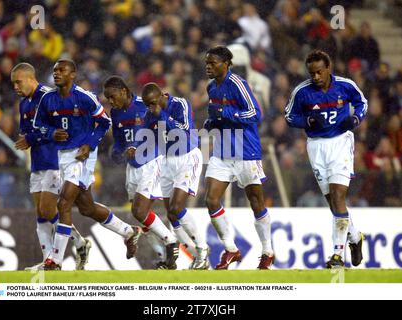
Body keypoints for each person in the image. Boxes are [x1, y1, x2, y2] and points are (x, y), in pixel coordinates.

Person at [33, 59, 141, 270]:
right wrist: (52, 132)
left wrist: (89, 144)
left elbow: (105, 122)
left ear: (73, 74)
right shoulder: (48, 99)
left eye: (61, 70)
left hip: (82, 155)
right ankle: (129, 232)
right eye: (54, 71)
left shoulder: (85, 98)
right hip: (63, 155)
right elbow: (38, 125)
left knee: (63, 204)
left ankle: (54, 261)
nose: (56, 74)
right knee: (86, 207)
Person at [284, 49, 366, 268]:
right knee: (333, 202)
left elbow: (362, 102)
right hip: (316, 147)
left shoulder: (345, 85)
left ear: (328, 68)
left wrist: (356, 118)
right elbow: (289, 116)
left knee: (339, 196)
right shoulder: (302, 92)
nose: (316, 77)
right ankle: (355, 237)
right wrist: (307, 121)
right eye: (312, 74)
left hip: (341, 142)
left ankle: (338, 256)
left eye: (319, 72)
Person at [11, 62, 90, 271]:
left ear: (30, 78)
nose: (15, 87)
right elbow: (28, 130)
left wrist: (31, 137)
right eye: (13, 84)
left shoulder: (48, 97)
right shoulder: (24, 103)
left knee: (48, 209)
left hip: (54, 159)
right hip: (37, 161)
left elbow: (61, 129)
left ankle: (71, 247)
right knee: (40, 212)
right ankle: (50, 259)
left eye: (18, 82)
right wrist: (28, 137)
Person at [204, 46, 274, 270]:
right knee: (211, 199)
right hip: (222, 153)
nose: (208, 66)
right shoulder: (211, 87)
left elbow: (256, 114)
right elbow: (216, 115)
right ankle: (231, 249)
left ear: (226, 63)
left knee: (256, 202)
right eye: (207, 63)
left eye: (213, 63)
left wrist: (228, 114)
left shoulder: (238, 84)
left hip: (246, 151)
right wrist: (211, 123)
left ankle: (267, 251)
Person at [103, 76, 180, 270]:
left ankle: (171, 241)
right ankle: (164, 257)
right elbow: (120, 142)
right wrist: (118, 152)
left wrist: (140, 146)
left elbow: (160, 132)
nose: (111, 102)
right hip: (133, 167)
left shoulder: (143, 105)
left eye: (112, 97)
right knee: (141, 216)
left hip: (152, 162)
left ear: (123, 91)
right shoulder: (115, 113)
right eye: (107, 99)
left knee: (139, 210)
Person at [141, 82, 209, 270]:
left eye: (153, 103)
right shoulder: (150, 113)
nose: (151, 108)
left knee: (177, 208)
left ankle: (203, 249)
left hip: (187, 157)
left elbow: (184, 132)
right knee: (171, 214)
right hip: (167, 161)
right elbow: (144, 134)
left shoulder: (180, 104)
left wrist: (161, 115)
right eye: (148, 104)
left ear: (162, 96)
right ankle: (195, 258)